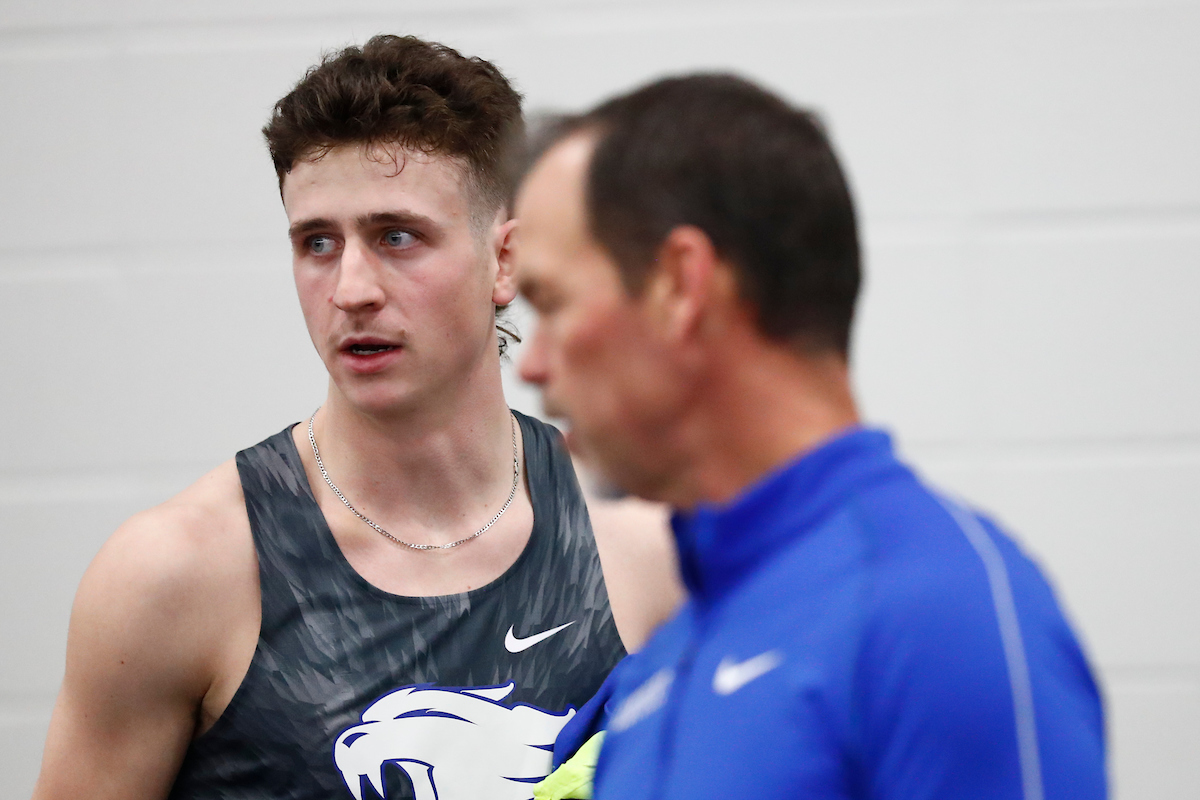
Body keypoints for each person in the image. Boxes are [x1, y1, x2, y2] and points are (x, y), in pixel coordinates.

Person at [31, 36, 680, 800]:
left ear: (506, 260)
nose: (350, 289)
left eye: (396, 237)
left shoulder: (647, 543)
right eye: (317, 243)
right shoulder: (177, 574)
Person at [514, 74, 1106, 799]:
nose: (531, 365)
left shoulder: (940, 616)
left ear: (681, 287)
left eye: (552, 303)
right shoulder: (660, 674)